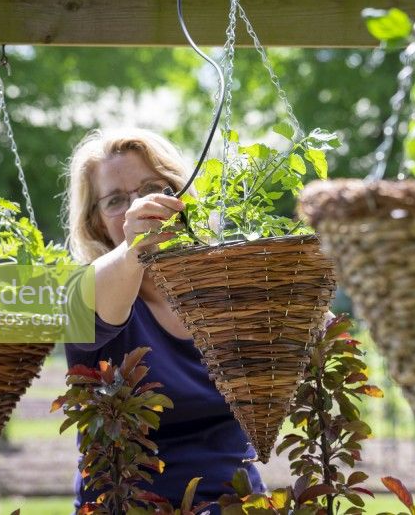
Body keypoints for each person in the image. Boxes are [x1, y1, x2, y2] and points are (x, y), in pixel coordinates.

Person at [61, 127, 265, 515]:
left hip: (237, 503)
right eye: (116, 201)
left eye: (153, 187)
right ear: (95, 223)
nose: (138, 207)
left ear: (182, 197)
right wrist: (133, 247)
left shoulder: (224, 290)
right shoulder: (85, 289)